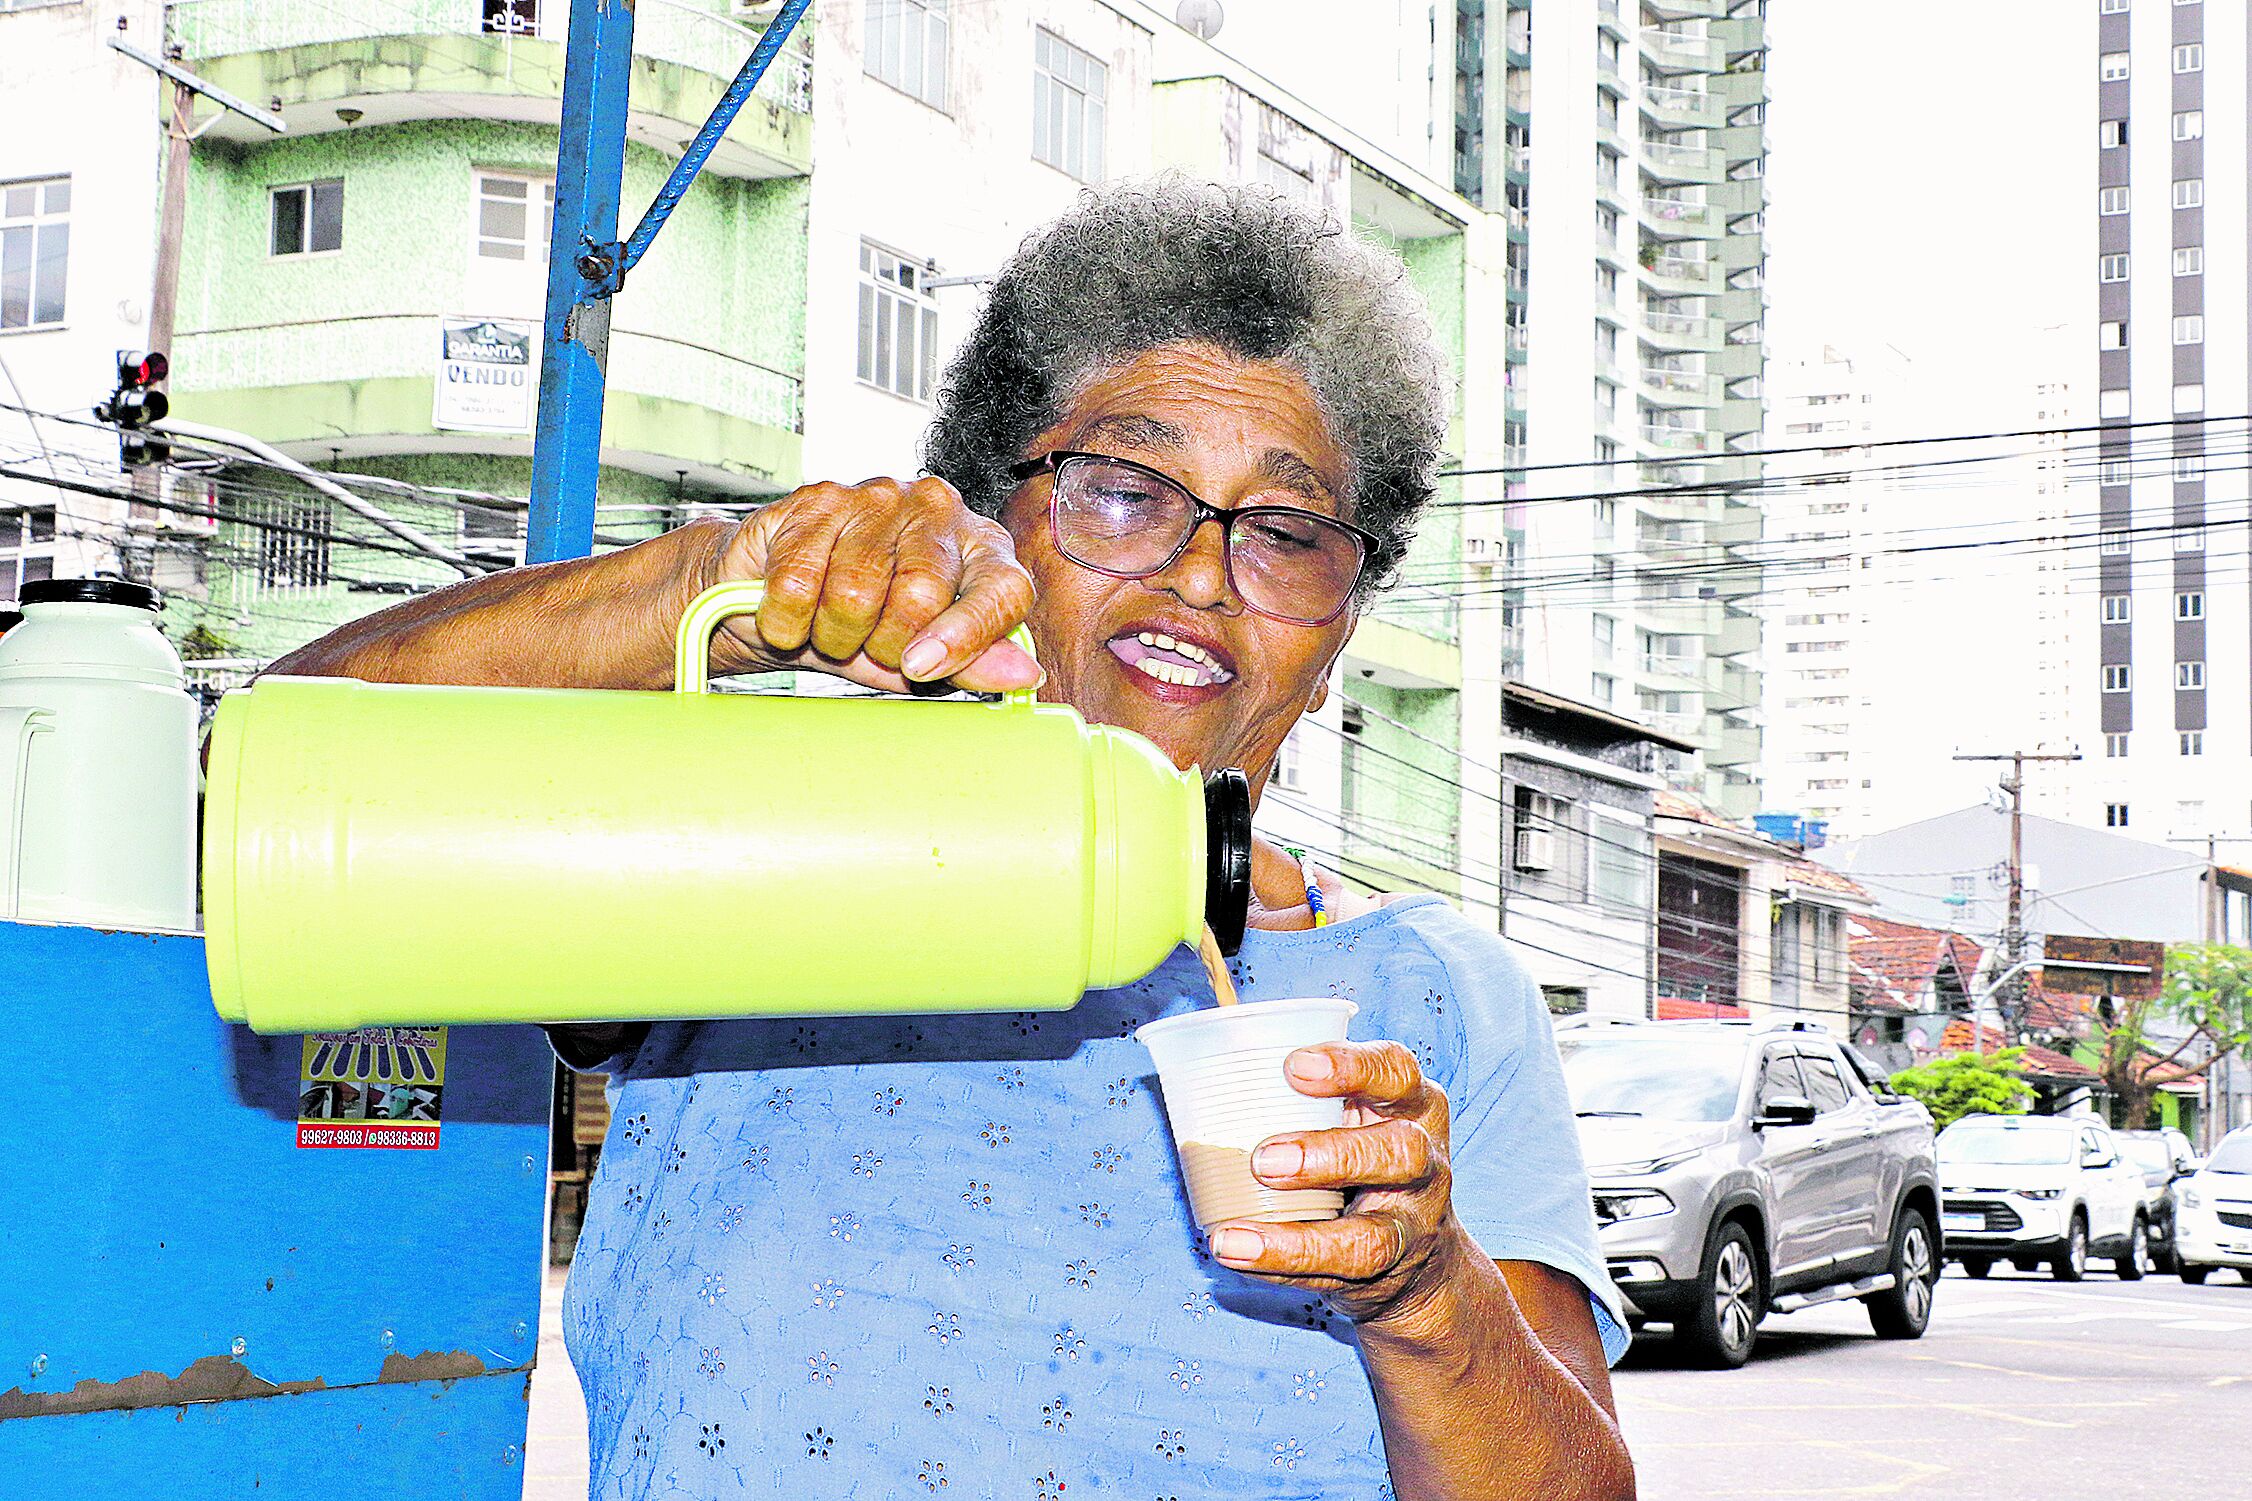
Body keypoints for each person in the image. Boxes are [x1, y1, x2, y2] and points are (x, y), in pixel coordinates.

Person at [273, 180, 1634, 1499]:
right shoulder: (783, 848)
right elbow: (281, 776)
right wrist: (712, 583)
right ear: (992, 526)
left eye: (1283, 530)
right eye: (1124, 488)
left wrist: (1423, 1290)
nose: (1202, 574)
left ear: (1336, 640)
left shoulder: (1442, 1004)